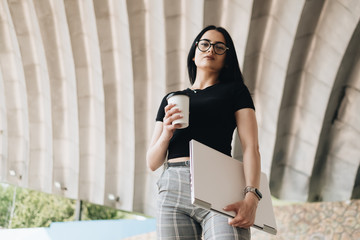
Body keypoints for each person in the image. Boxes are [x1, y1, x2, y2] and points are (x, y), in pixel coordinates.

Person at [146, 25, 261, 240]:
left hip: (219, 183)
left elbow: (251, 147)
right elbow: (152, 162)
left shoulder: (236, 91)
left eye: (219, 47)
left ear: (227, 59)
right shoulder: (171, 98)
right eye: (205, 44)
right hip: (173, 185)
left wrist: (252, 196)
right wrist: (166, 133)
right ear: (194, 53)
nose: (210, 51)